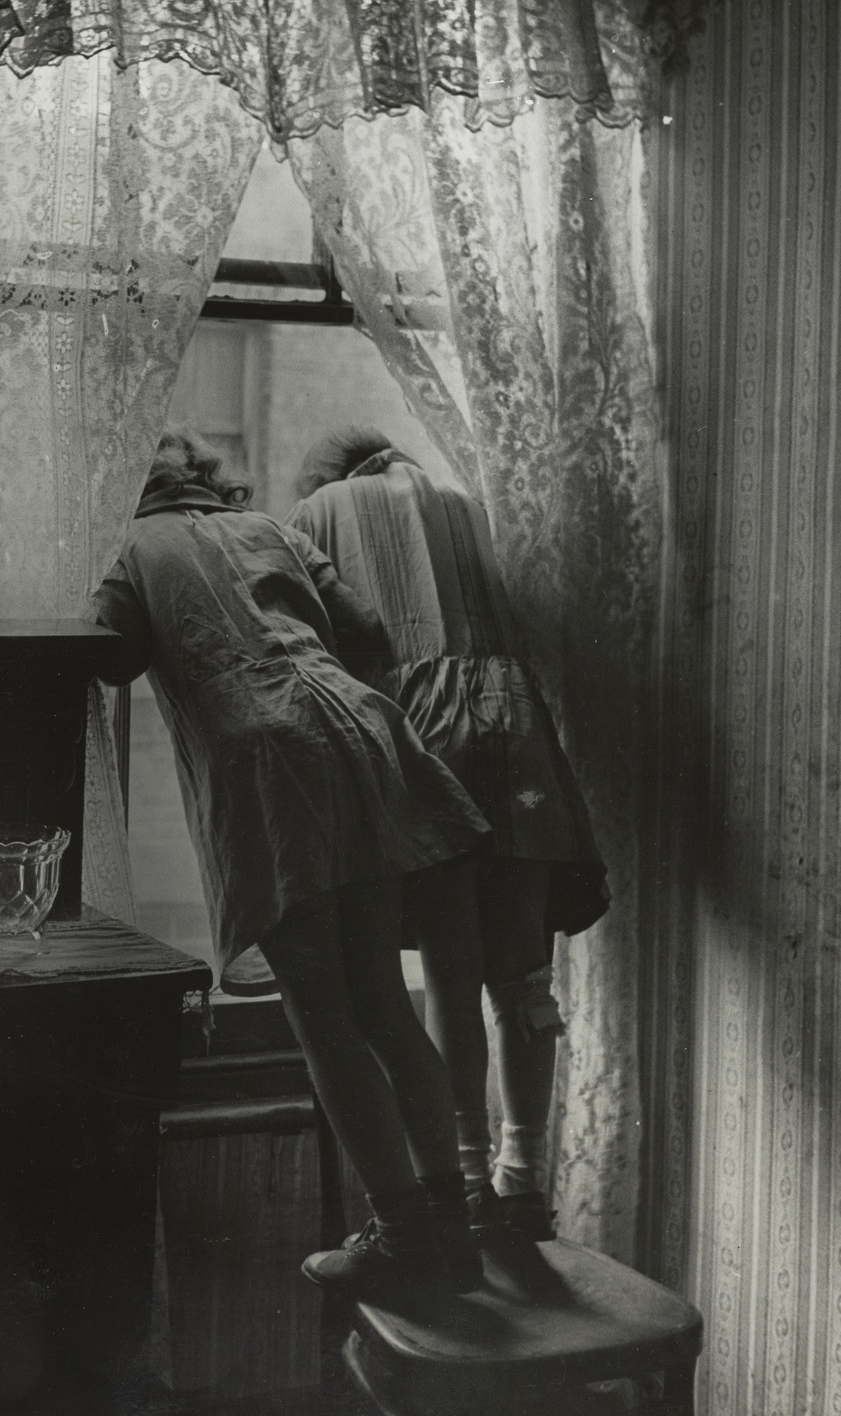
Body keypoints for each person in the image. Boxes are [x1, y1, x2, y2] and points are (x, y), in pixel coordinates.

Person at [93, 430, 492, 1302]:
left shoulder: (130, 547)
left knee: (323, 1019)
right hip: (360, 731)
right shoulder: (271, 528)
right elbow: (369, 632)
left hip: (265, 757)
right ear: (204, 479)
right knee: (383, 1003)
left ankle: (398, 1236)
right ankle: (452, 1230)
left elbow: (110, 657)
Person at [286, 431, 609, 1243]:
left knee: (450, 975)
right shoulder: (465, 504)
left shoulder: (314, 515)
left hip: (426, 728)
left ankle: (465, 1181)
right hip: (514, 722)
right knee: (524, 981)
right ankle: (523, 1182)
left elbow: (326, 649)